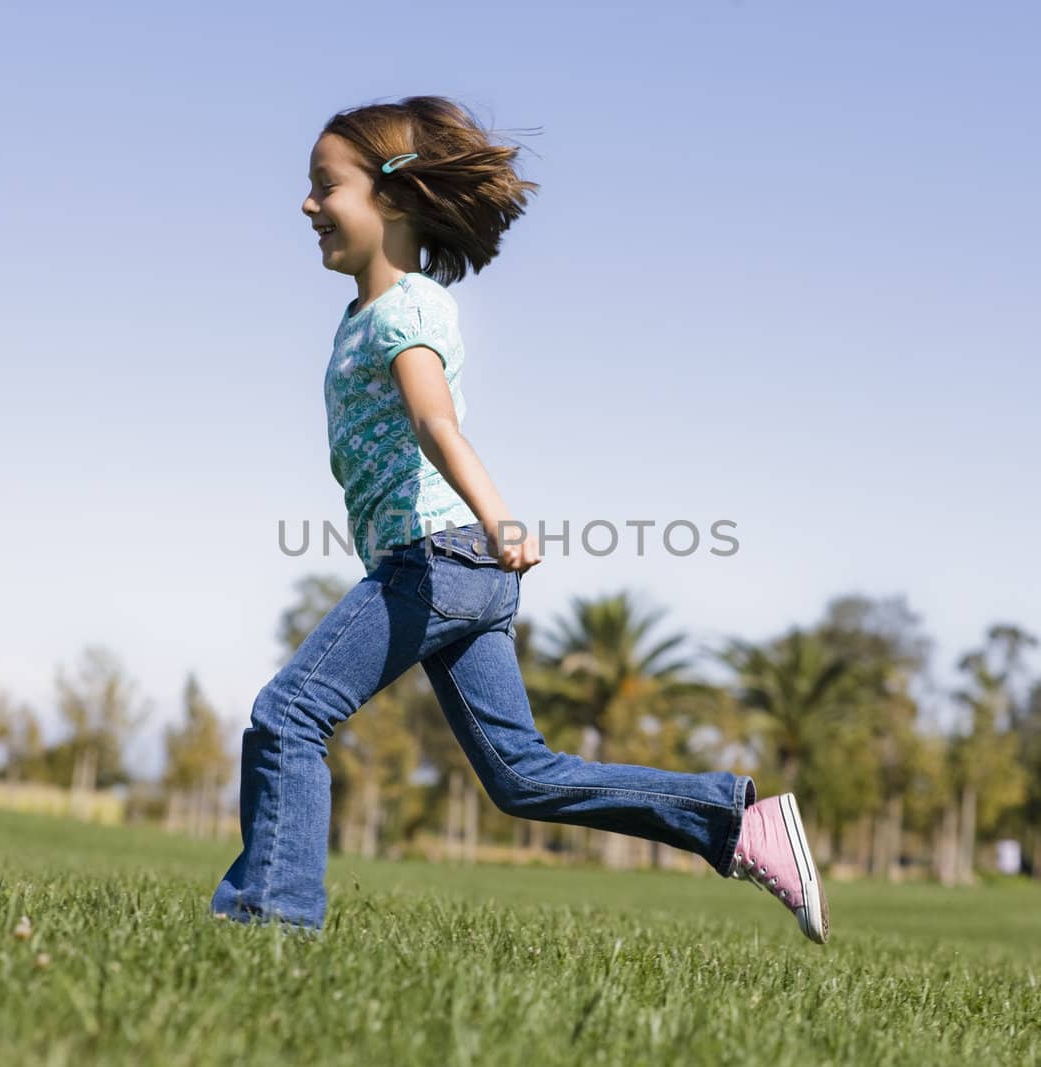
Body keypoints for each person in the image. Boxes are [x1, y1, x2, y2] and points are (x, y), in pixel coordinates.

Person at [209, 95, 828, 945]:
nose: (308, 205)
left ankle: (270, 924)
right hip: (458, 570)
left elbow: (436, 424)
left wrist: (499, 519)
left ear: (391, 197)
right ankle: (735, 821)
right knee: (520, 774)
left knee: (290, 713)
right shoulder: (367, 313)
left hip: (439, 559)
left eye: (325, 187)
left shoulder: (404, 312)